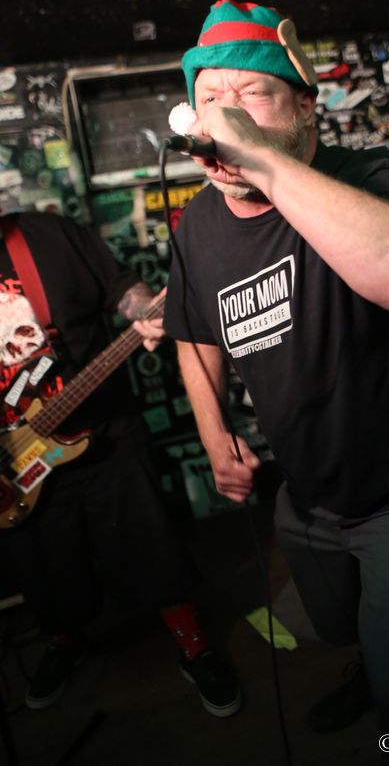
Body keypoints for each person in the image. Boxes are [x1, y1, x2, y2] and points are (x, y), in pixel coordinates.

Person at [164, 0, 389, 763]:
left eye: (251, 94)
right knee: (342, 624)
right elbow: (194, 333)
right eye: (210, 99)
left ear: (305, 106)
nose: (225, 116)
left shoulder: (371, 176)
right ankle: (371, 665)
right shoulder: (200, 224)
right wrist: (214, 437)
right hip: (308, 493)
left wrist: (266, 162)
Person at [0, 210, 241, 717]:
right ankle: (65, 641)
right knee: (44, 565)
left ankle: (191, 641)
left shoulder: (48, 234)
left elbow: (123, 290)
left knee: (150, 543)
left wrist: (149, 311)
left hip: (104, 429)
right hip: (13, 461)